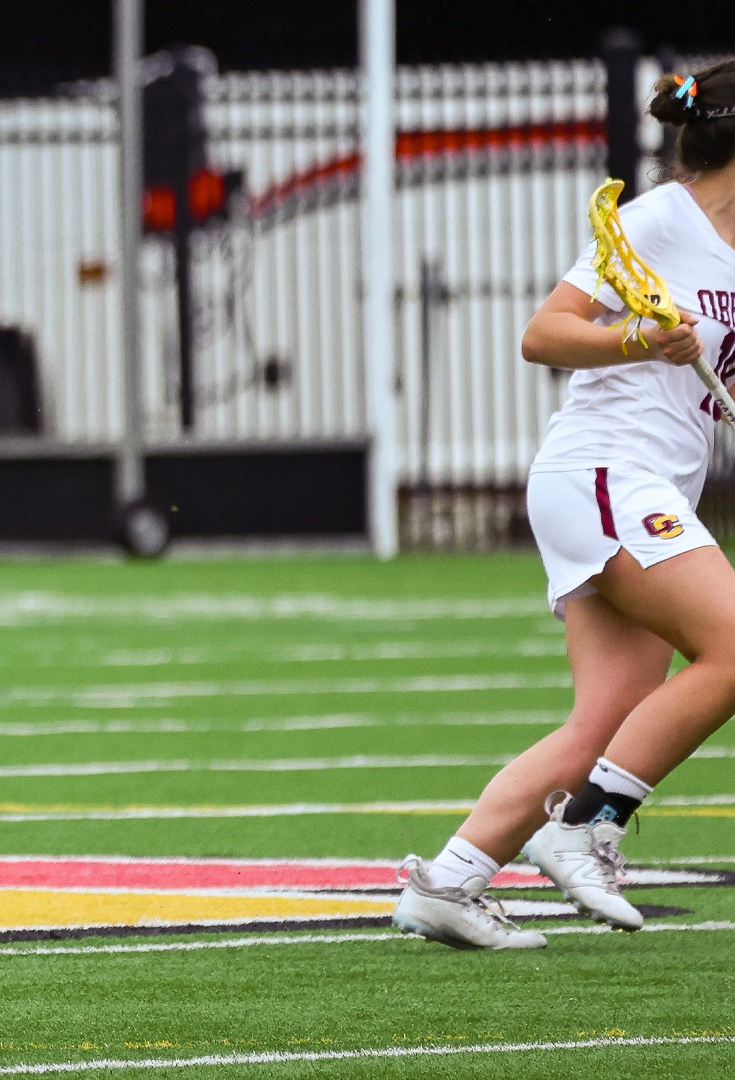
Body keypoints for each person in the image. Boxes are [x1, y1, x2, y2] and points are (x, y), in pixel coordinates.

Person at [393, 61, 735, 950]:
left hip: (646, 487)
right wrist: (639, 337)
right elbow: (542, 334)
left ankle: (450, 882)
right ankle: (587, 825)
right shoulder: (659, 219)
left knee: (607, 720)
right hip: (605, 473)